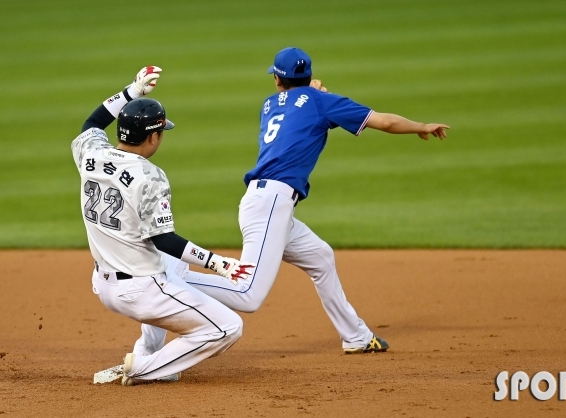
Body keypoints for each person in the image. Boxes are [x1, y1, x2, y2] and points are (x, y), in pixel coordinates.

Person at [180, 47, 449, 354]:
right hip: (270, 204)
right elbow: (384, 122)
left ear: (278, 81)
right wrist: (421, 126)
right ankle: (175, 279)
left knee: (321, 258)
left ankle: (356, 337)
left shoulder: (269, 104)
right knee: (248, 293)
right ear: (308, 75)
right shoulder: (322, 102)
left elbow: (298, 106)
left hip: (268, 203)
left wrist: (314, 93)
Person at [72, 66, 254, 385]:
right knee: (227, 327)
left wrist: (132, 91)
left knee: (174, 268)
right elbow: (164, 239)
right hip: (139, 289)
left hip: (104, 281)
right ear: (153, 136)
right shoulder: (150, 176)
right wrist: (218, 263)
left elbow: (92, 123)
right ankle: (145, 369)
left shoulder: (90, 153)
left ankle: (145, 351)